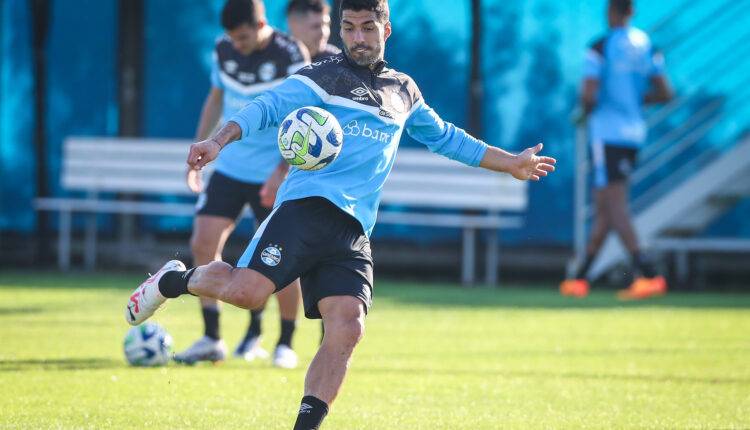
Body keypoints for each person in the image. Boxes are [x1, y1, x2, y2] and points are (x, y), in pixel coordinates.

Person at [124, 0, 555, 428]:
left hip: (353, 232)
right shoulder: (320, 76)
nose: (358, 37)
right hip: (304, 210)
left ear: (386, 31)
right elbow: (264, 109)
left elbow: (447, 138)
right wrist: (217, 143)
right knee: (247, 294)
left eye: (368, 27)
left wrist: (511, 163)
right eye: (349, 28)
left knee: (348, 327)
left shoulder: (403, 91)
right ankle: (173, 280)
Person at [174, 0, 309, 368]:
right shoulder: (223, 49)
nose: (239, 44)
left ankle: (285, 342)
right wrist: (199, 151)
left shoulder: (290, 54)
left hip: (273, 172)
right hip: (231, 167)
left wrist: (282, 169)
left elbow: (305, 116)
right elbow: (216, 98)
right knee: (202, 242)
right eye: (233, 38)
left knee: (280, 257)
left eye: (245, 37)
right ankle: (212, 336)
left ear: (263, 23)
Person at [560, 0, 673, 300]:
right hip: (634, 134)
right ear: (632, 11)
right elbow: (665, 92)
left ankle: (649, 274)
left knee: (615, 204)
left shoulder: (600, 47)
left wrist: (584, 112)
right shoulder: (646, 45)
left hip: (607, 134)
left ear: (610, 11)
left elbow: (588, 94)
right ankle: (579, 279)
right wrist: (636, 102)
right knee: (604, 208)